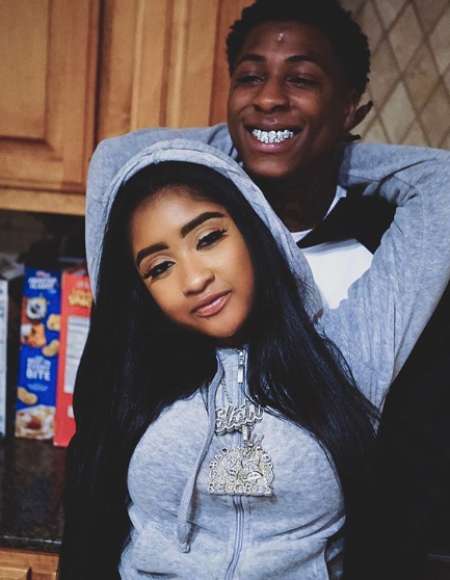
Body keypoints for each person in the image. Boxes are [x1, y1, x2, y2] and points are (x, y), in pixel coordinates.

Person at [83, 1, 450, 576]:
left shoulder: (358, 334)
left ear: (351, 105)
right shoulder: (148, 338)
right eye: (250, 79)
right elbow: (118, 160)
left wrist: (326, 144)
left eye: (301, 80)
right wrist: (245, 147)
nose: (269, 97)